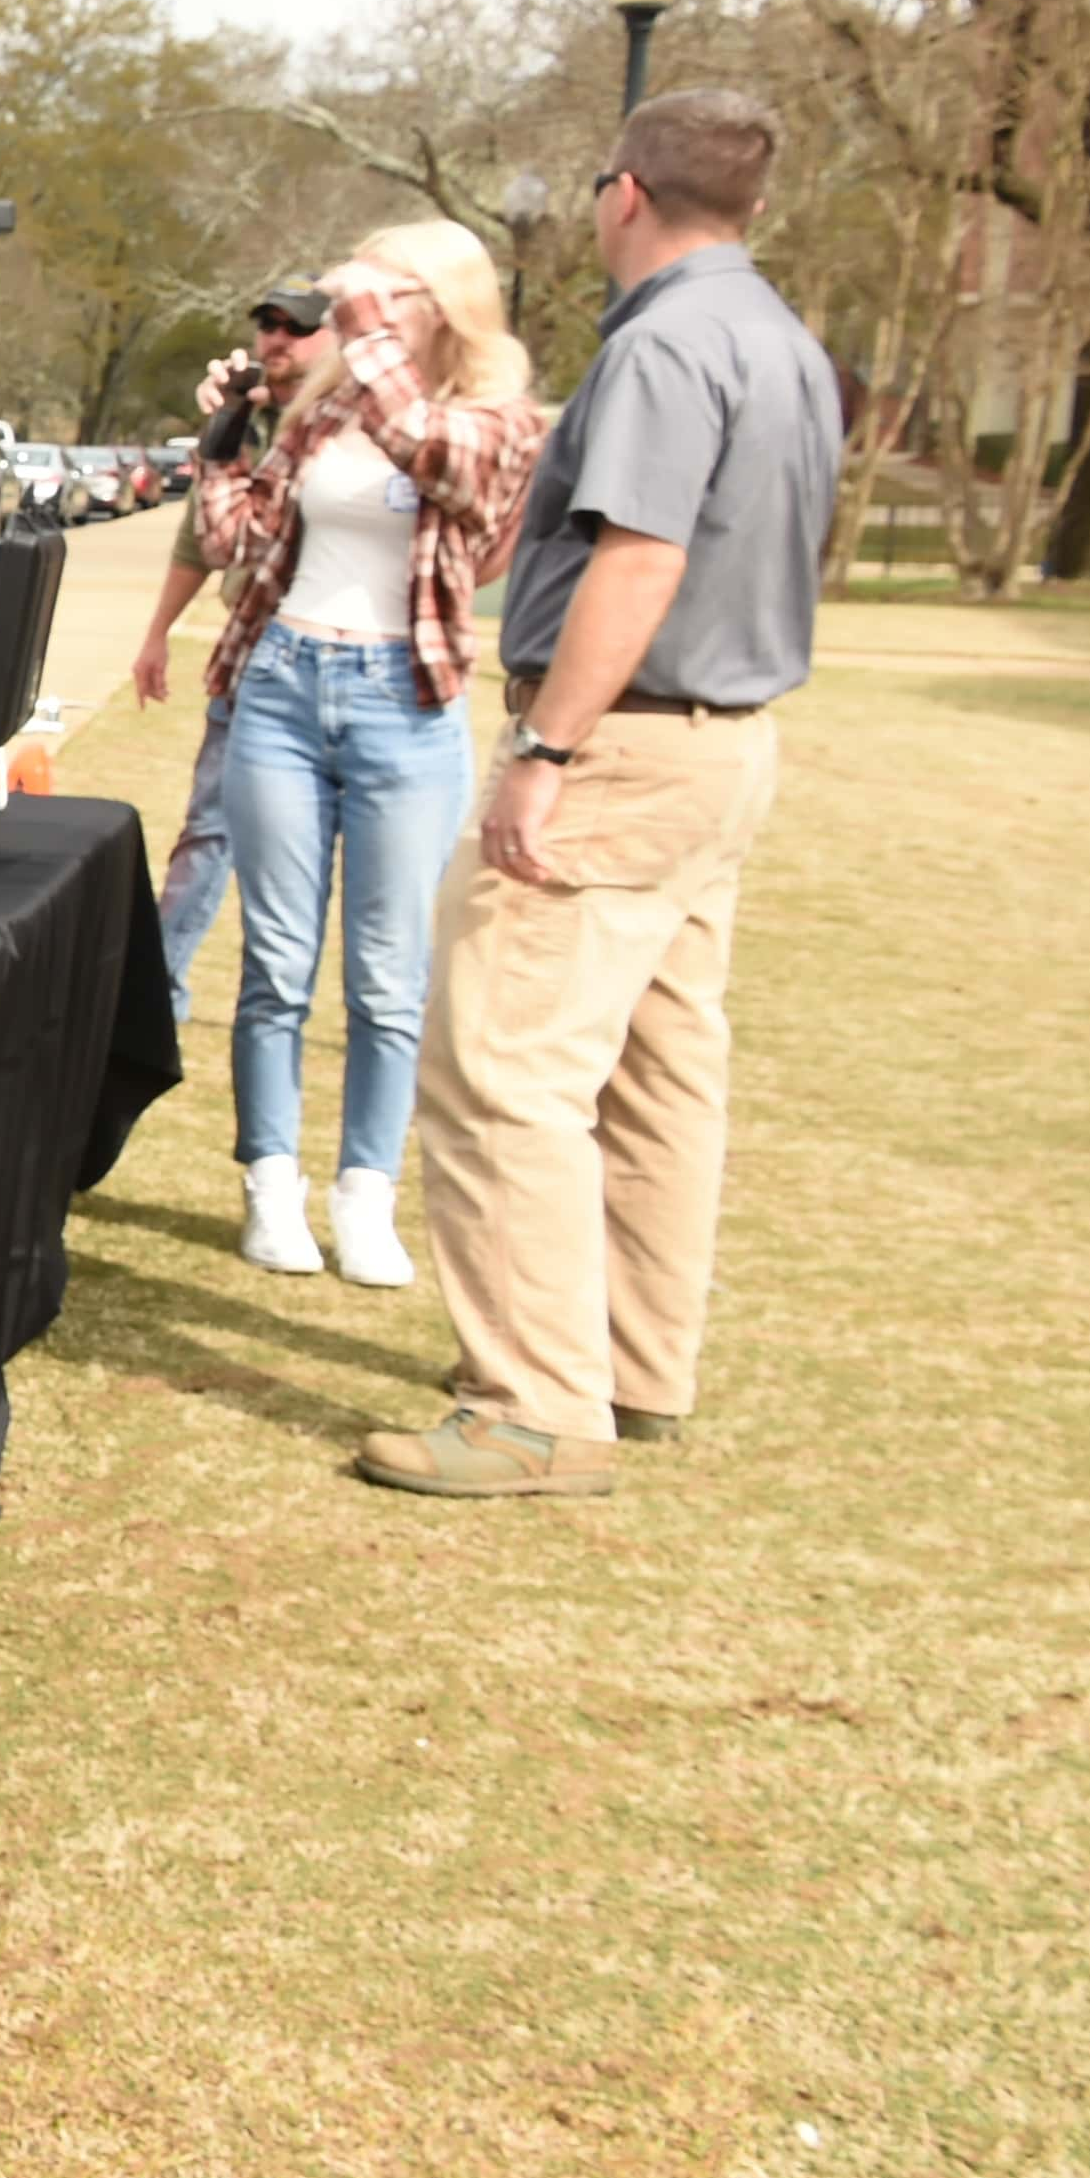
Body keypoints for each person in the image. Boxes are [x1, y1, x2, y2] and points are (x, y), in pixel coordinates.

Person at [370, 91, 839, 1500]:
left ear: (623, 193)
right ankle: (636, 1366)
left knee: (507, 1067)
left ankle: (533, 1405)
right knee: (659, 1072)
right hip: (726, 748)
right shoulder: (781, 338)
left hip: (626, 748)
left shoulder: (668, 344)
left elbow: (639, 561)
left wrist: (548, 752)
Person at [185, 227, 546, 1288]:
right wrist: (224, 437)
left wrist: (353, 324)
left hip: (404, 700)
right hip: (284, 684)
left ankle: (365, 1196)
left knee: (389, 980)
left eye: (390, 290)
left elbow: (442, 465)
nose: (361, 308)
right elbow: (237, 540)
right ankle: (269, 1184)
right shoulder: (330, 405)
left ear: (446, 302)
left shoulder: (497, 418)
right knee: (275, 965)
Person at [129, 283, 334, 1013]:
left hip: (330, 661)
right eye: (268, 326)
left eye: (298, 329)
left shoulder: (352, 423)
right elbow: (203, 535)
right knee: (207, 830)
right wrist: (157, 636)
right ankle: (161, 990)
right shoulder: (245, 415)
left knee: (302, 852)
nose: (278, 340)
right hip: (249, 653)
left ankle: (281, 999)